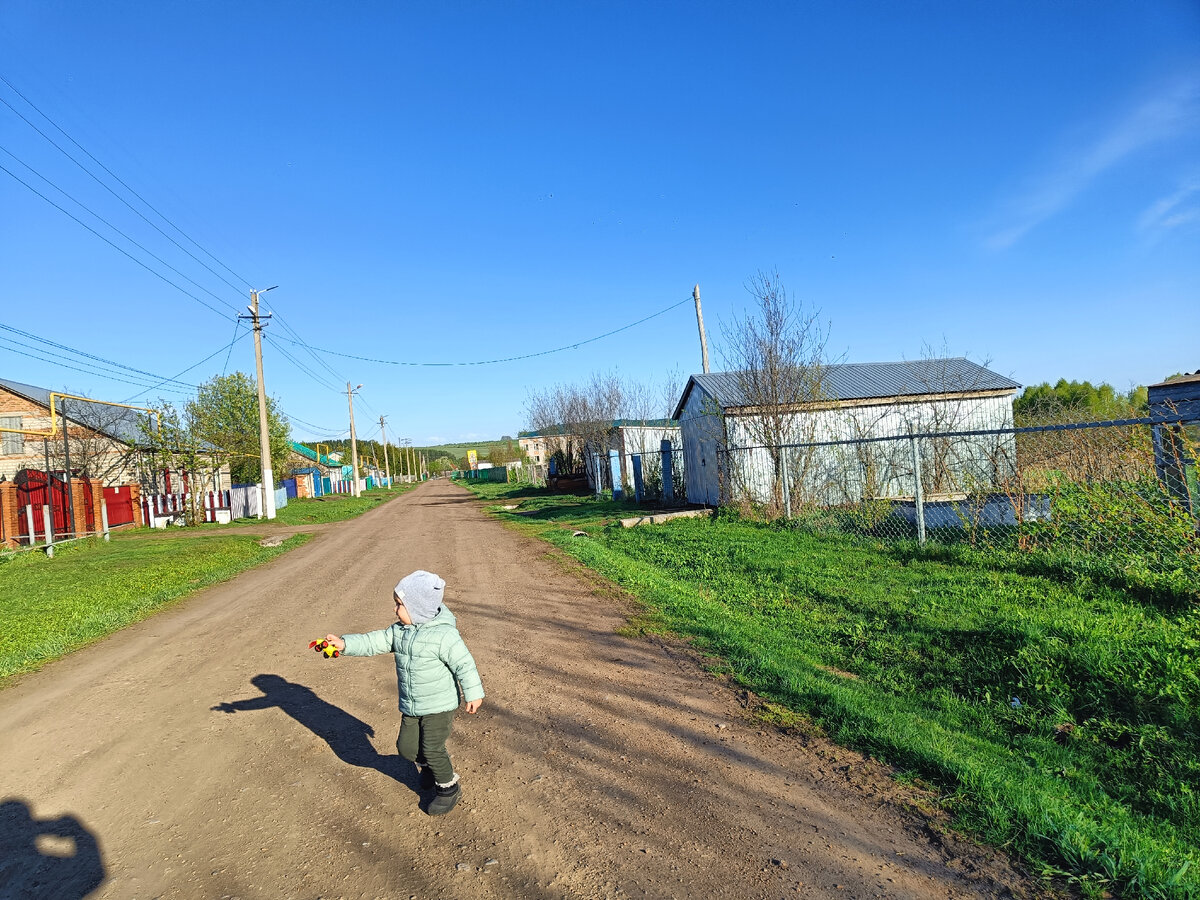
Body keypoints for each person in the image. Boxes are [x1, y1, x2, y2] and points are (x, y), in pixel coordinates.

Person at [321, 570, 484, 815]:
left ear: (418, 608)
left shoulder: (444, 635)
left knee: (432, 748)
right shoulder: (399, 631)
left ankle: (448, 788)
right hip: (412, 703)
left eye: (400, 605)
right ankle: (429, 768)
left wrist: (473, 693)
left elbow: (465, 664)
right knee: (406, 748)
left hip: (440, 705)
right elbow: (373, 641)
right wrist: (344, 644)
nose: (395, 610)